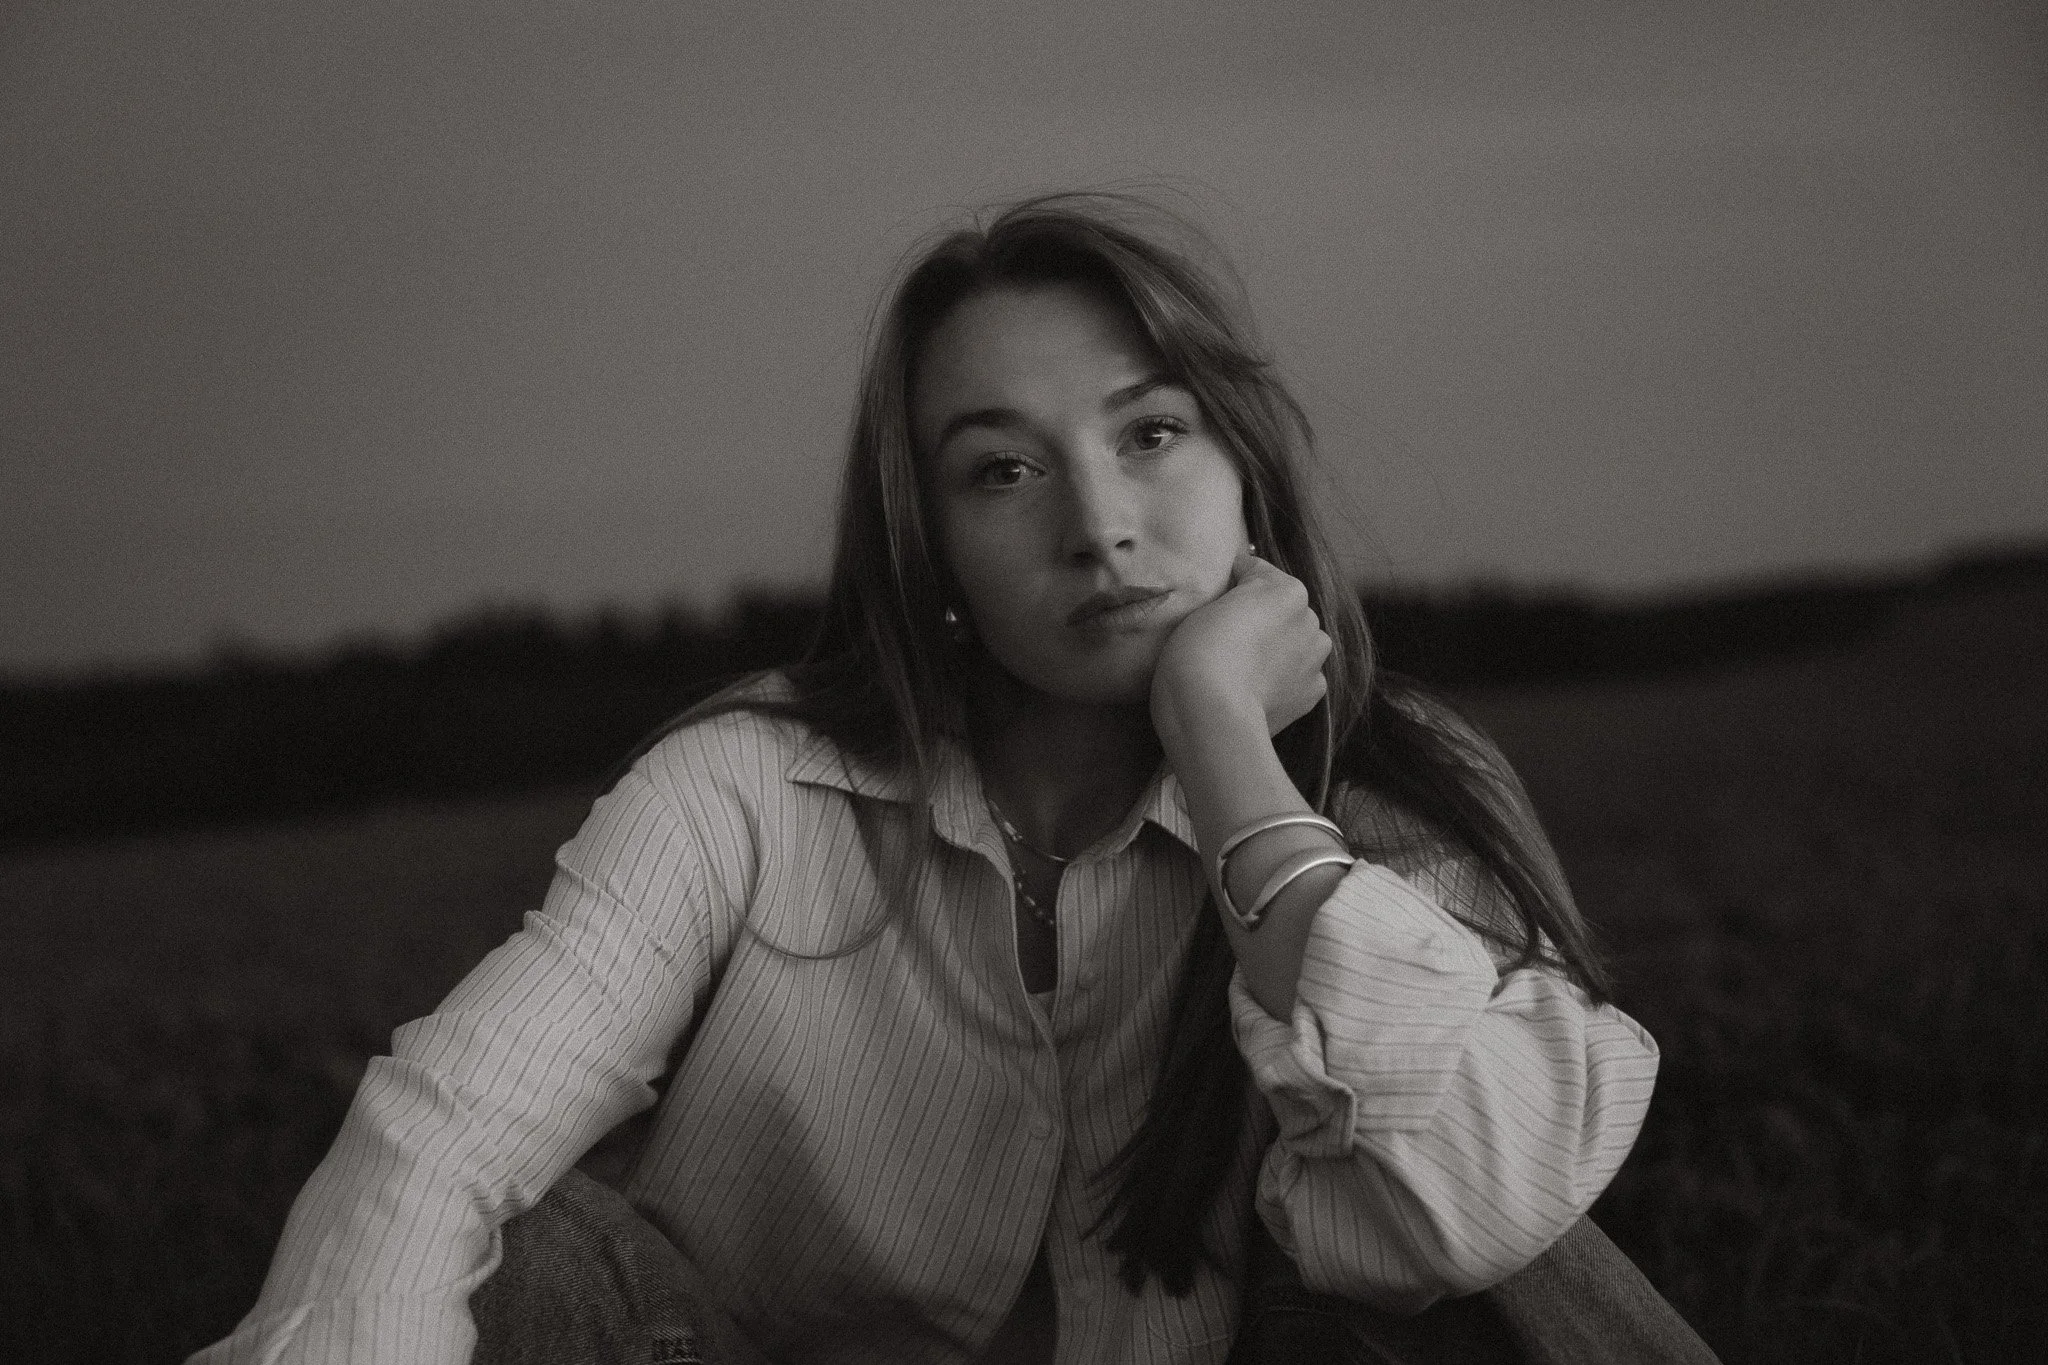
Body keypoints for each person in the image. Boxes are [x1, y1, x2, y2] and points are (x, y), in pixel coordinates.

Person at [192, 193, 1672, 1365]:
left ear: (1248, 475)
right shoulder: (749, 787)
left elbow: (1469, 1210)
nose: (1099, 526)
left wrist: (1226, 747)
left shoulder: (1391, 779)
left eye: (1150, 433)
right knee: (514, 1253)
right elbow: (438, 1137)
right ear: (931, 546)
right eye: (1001, 471)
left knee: (1479, 1179)